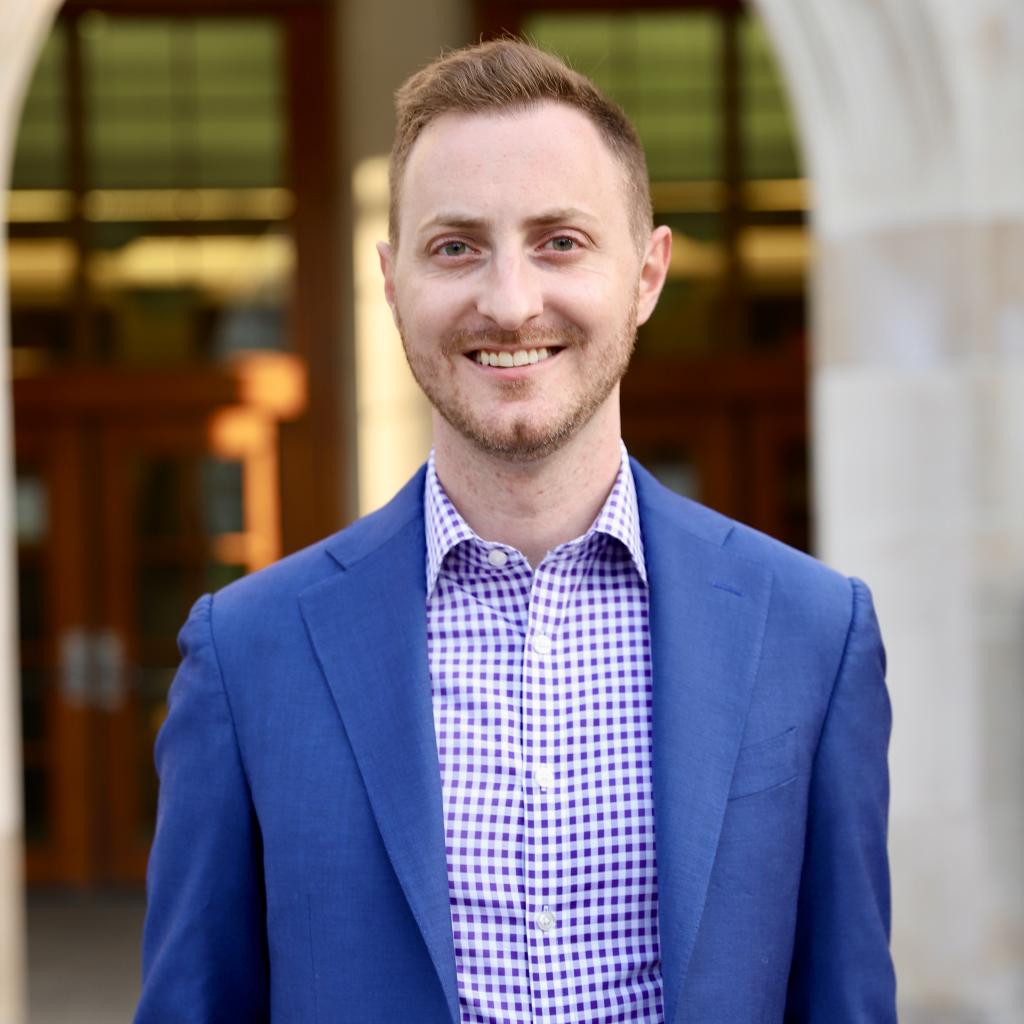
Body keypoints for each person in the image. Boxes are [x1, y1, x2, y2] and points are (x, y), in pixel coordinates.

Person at [136, 39, 896, 1024]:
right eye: (455, 246)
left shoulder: (811, 633)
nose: (509, 302)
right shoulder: (247, 655)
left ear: (647, 274)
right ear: (391, 280)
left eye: (560, 242)